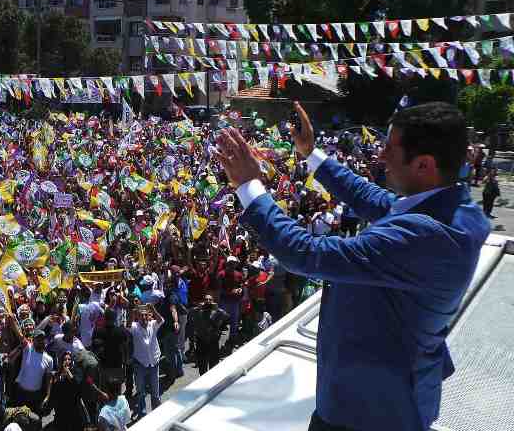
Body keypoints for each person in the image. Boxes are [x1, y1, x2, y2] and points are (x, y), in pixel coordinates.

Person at [216, 101, 491, 431]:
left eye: (390, 149)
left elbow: (306, 253)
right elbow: (371, 198)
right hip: (395, 391)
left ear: (424, 165)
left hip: (367, 409)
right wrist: (310, 153)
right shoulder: (453, 209)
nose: (380, 156)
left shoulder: (427, 235)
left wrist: (248, 185)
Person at [128, 304, 164, 421]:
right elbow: (126, 326)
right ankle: (143, 414)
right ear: (138, 317)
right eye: (141, 316)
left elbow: (161, 320)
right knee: (140, 391)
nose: (143, 318)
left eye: (145, 316)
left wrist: (153, 309)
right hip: (140, 363)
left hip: (154, 362)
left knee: (155, 390)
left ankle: (157, 412)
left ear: (148, 316)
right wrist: (132, 314)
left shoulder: (153, 324)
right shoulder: (134, 327)